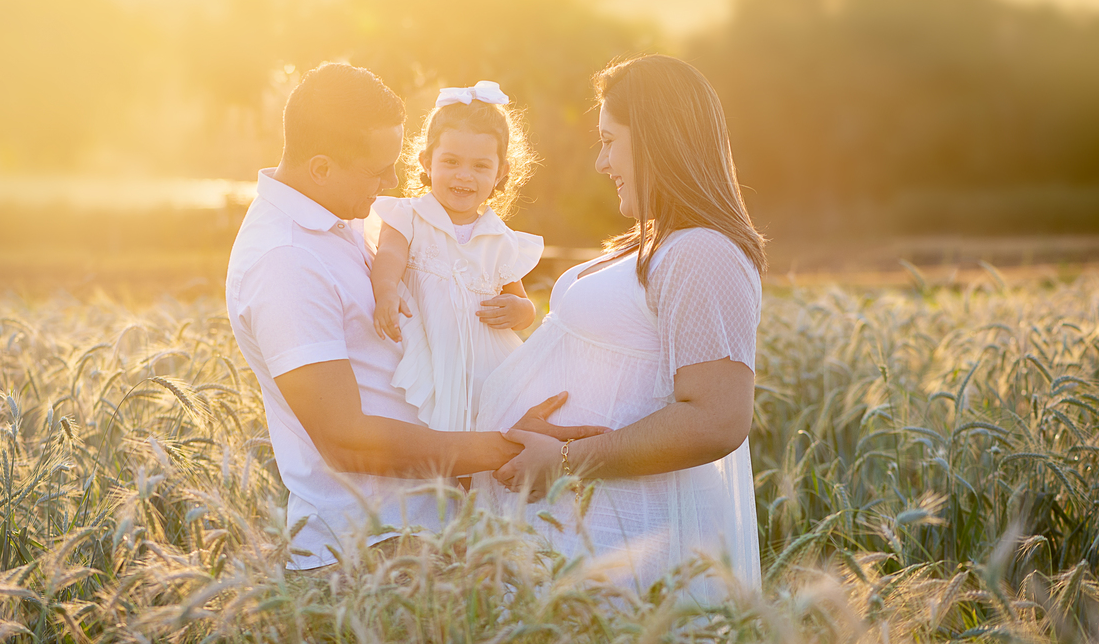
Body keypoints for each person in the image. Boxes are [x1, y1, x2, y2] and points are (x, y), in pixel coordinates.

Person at [225, 62, 603, 572]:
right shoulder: (285, 259)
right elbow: (343, 438)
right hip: (369, 551)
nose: (396, 182)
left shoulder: (341, 220)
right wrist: (507, 448)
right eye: (379, 169)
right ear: (320, 168)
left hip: (434, 530)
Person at [473, 54, 767, 598]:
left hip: (629, 545)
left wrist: (563, 461)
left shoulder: (702, 251)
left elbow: (718, 418)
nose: (601, 163)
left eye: (610, 141)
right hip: (584, 536)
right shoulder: (655, 242)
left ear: (656, 141)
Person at [371, 81, 543, 433]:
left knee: (485, 447)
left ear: (501, 173)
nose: (464, 175)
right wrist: (385, 290)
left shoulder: (499, 239)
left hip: (486, 371)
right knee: (430, 442)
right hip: (430, 359)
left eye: (480, 166)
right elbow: (388, 255)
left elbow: (524, 306)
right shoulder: (410, 217)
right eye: (450, 161)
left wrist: (519, 311)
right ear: (426, 161)